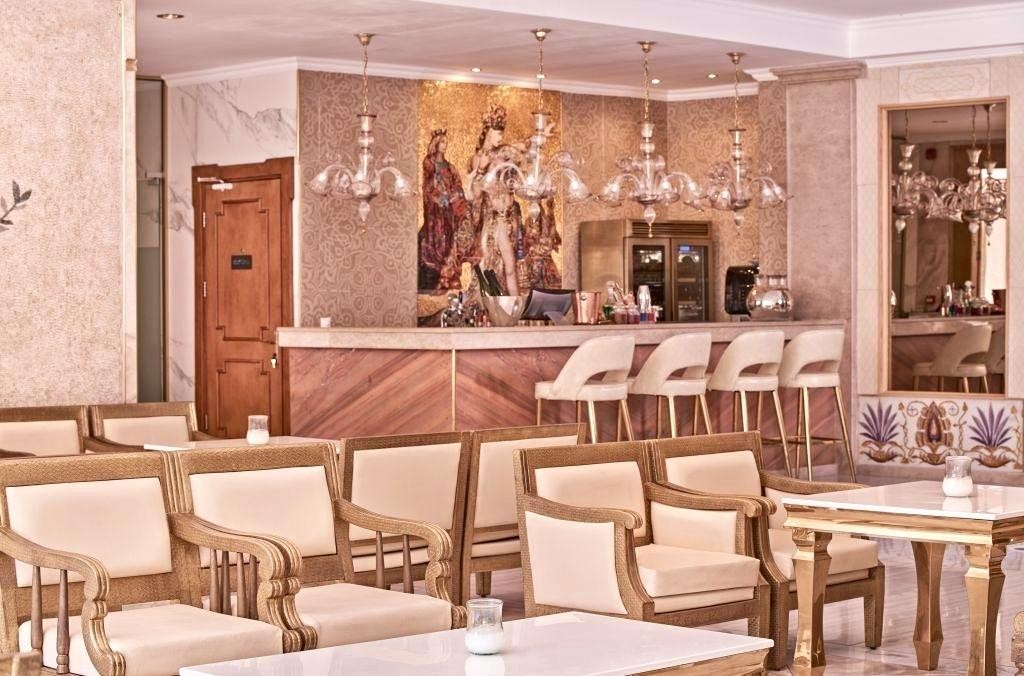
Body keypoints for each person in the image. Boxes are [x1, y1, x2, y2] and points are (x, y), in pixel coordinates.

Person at [417, 128, 471, 290]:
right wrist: (439, 197)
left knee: (448, 237)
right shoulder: (429, 162)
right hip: (435, 209)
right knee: (433, 236)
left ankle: (446, 270)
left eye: (446, 142)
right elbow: (428, 185)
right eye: (442, 142)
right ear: (436, 144)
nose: (444, 145)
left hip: (448, 209)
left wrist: (452, 197)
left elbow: (458, 186)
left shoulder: (450, 167)